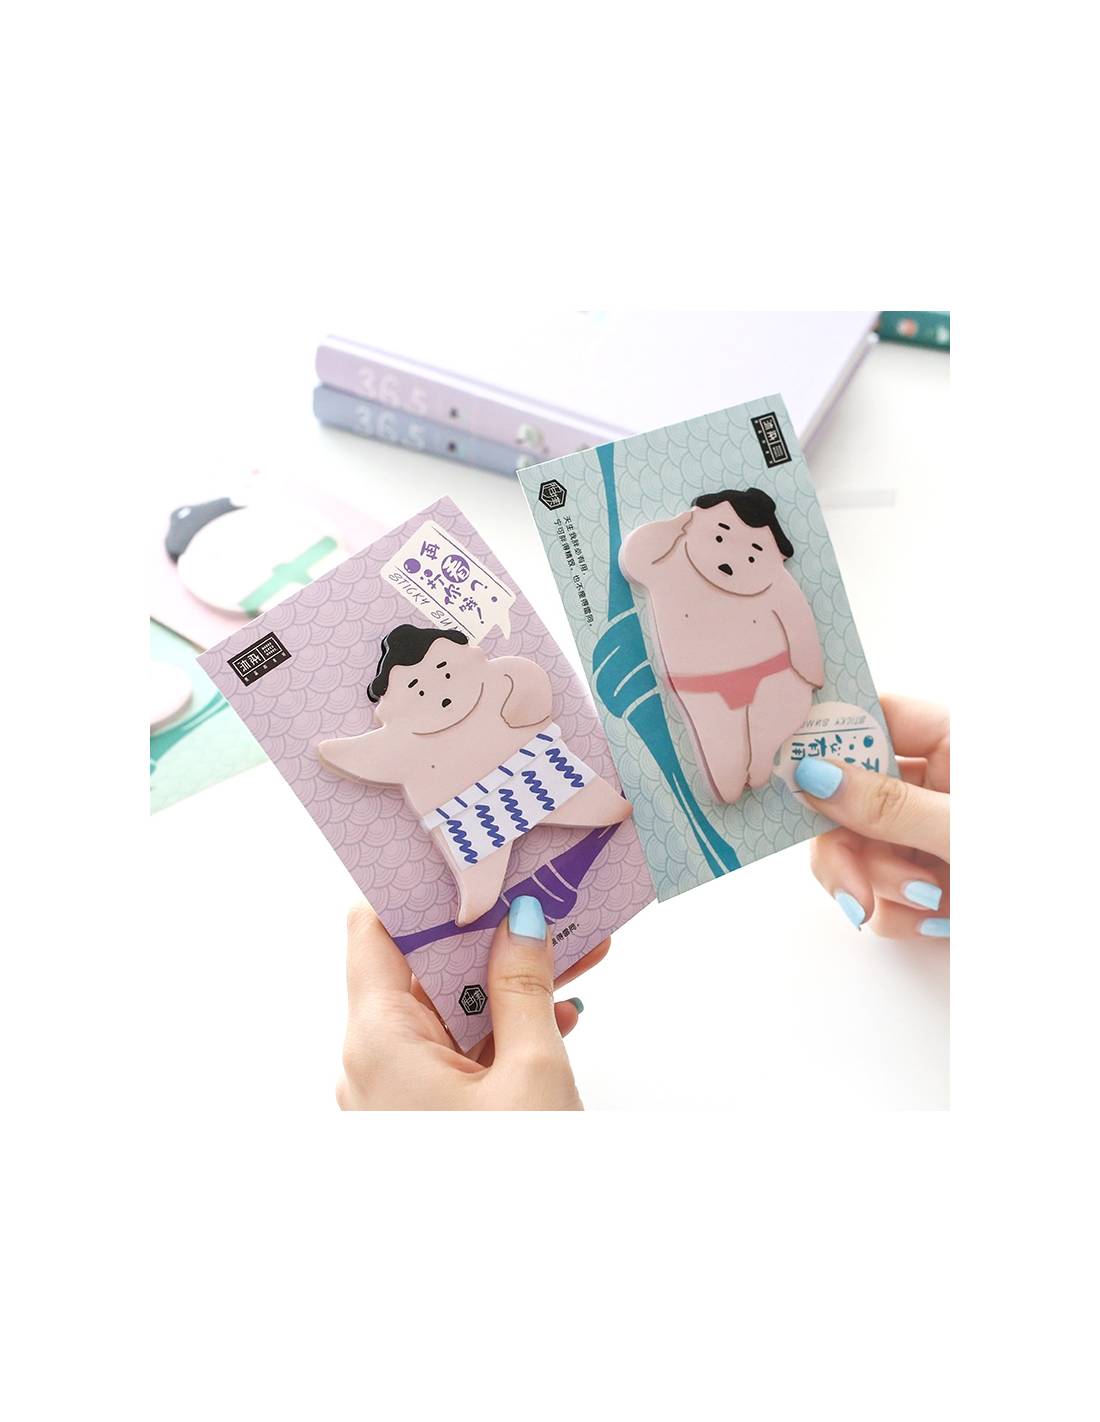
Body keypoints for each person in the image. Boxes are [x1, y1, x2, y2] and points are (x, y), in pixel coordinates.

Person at [336, 695, 949, 1111]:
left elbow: (522, 685)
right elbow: (361, 754)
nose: (435, 693)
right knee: (488, 868)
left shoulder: (489, 686)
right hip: (472, 814)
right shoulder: (407, 741)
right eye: (416, 688)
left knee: (604, 803)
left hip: (539, 771)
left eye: (440, 675)